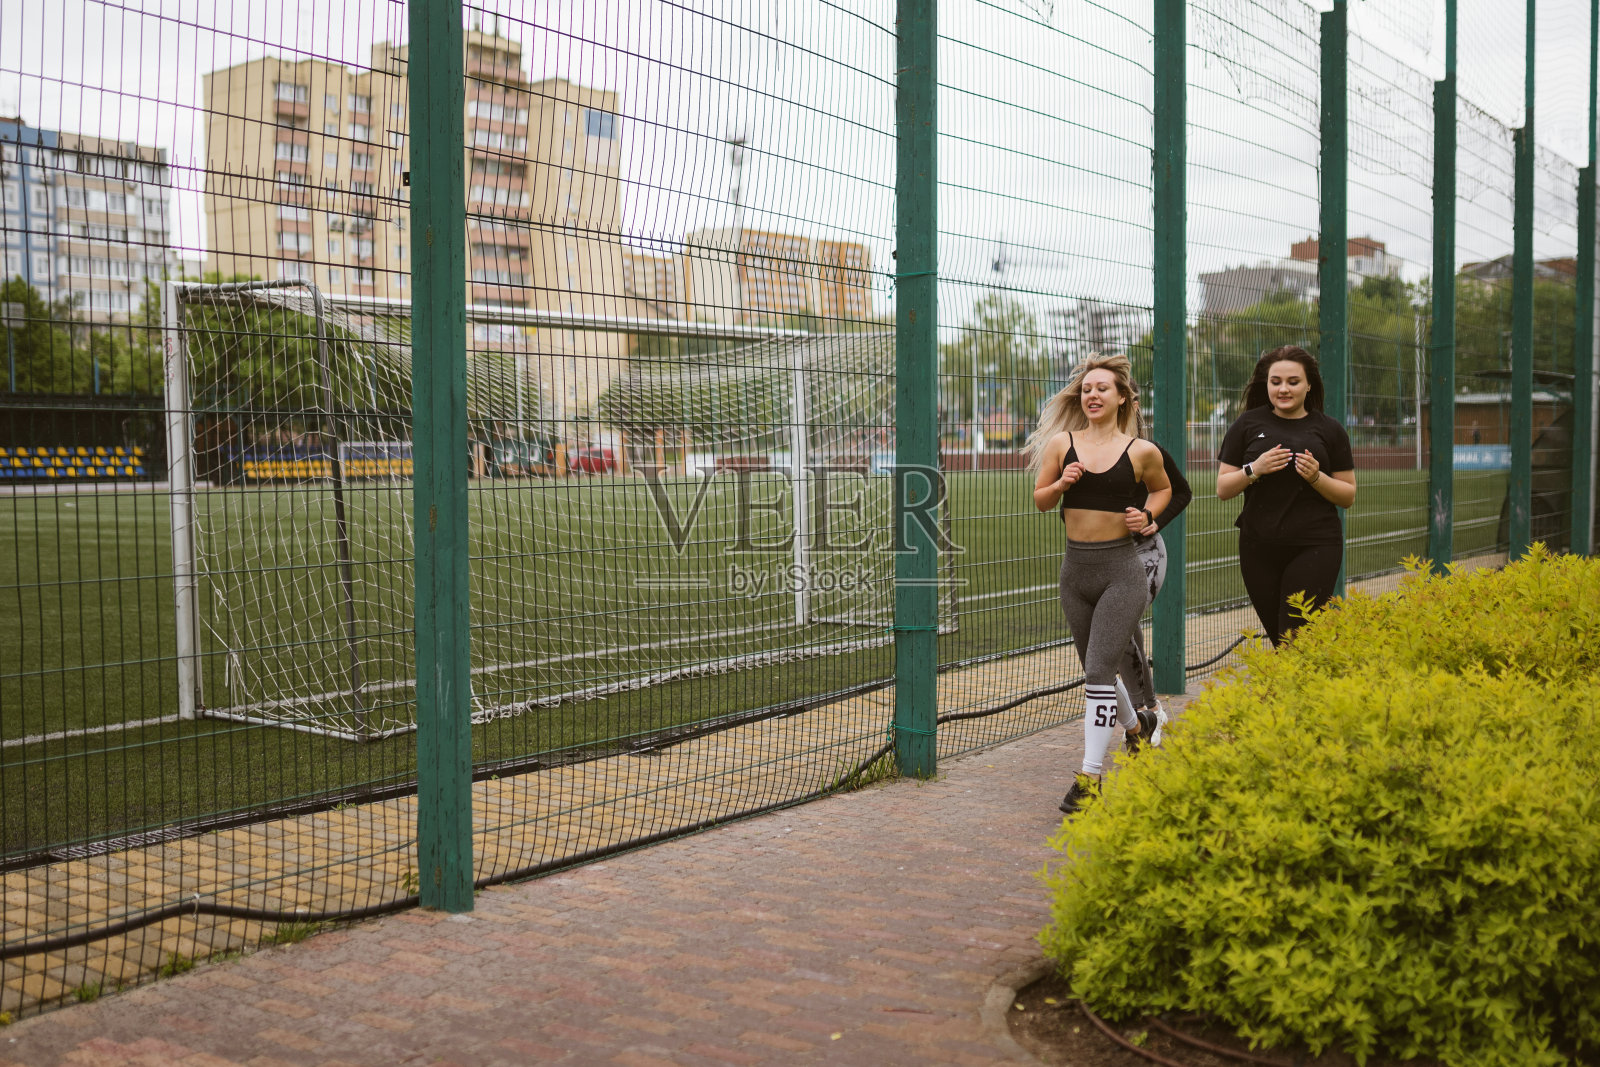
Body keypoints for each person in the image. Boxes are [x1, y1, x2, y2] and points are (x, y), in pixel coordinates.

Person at [1025, 353, 1172, 816]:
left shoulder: (1140, 451)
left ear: (1122, 398)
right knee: (1101, 671)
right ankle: (1137, 729)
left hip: (1121, 572)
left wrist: (1147, 515)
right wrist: (1062, 482)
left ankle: (1089, 777)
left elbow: (1164, 489)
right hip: (1075, 573)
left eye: (1102, 388)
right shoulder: (1060, 445)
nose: (1092, 395)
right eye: (1087, 389)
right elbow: (1041, 501)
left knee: (1095, 674)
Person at [1216, 345, 1357, 648]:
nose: (1283, 389)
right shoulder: (1246, 425)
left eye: (1293, 382)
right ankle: (1304, 692)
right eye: (1275, 381)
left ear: (1309, 385)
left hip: (1315, 546)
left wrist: (1317, 477)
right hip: (1258, 549)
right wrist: (1255, 469)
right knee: (1283, 642)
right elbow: (1223, 488)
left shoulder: (1330, 430)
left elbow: (1347, 495)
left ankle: (1293, 694)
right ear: (1266, 384)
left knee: (1295, 638)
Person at [1115, 399, 1193, 752]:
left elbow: (1181, 491)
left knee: (1117, 627)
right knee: (1124, 636)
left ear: (1129, 403)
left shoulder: (1148, 450)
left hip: (1144, 554)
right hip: (1100, 556)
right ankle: (1149, 713)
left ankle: (1146, 713)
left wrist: (1151, 519)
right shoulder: (1082, 449)